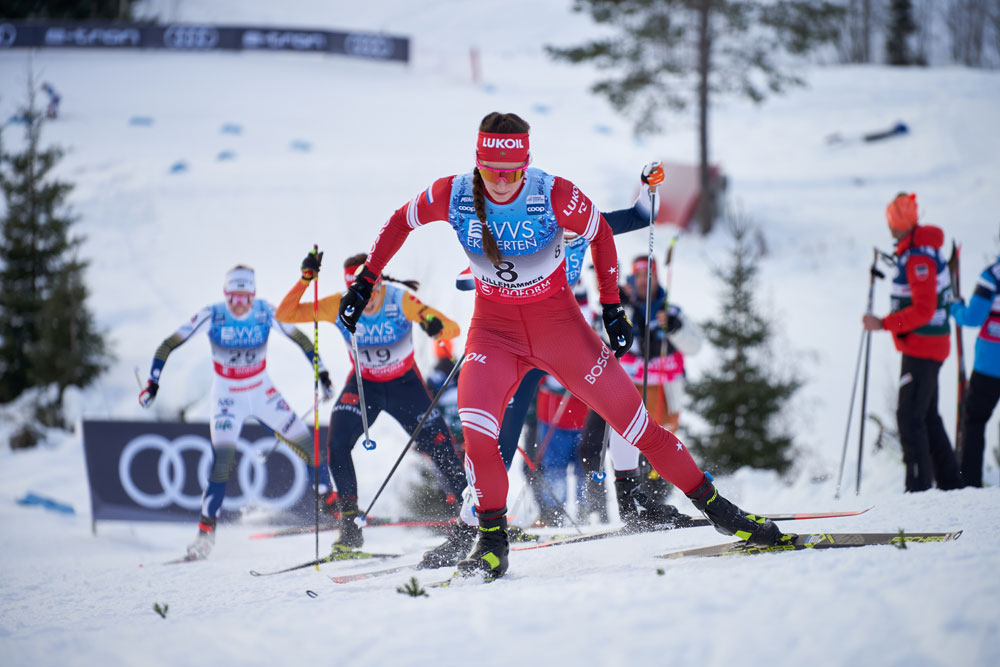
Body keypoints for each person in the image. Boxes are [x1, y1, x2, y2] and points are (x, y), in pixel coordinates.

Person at [339, 112, 788, 579]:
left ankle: (722, 513)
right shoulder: (452, 194)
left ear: (526, 165)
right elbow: (399, 221)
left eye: (511, 173)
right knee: (479, 436)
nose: (500, 182)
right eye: (491, 171)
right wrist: (367, 278)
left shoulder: (552, 194)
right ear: (478, 164)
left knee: (638, 428)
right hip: (495, 336)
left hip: (562, 333)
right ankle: (490, 541)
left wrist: (612, 308)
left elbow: (603, 233)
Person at [275, 252, 467, 553]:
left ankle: (474, 520)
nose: (368, 301)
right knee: (336, 443)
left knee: (441, 446)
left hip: (406, 386)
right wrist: (305, 280)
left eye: (373, 291)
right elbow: (285, 315)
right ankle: (350, 527)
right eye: (361, 294)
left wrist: (434, 325)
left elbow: (452, 327)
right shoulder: (336, 305)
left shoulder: (399, 300)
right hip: (365, 387)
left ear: (380, 283)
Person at [139, 265, 334, 560]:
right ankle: (205, 535)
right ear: (225, 295)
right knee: (222, 465)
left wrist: (323, 374)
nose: (239, 305)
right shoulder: (213, 314)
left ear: (253, 295)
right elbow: (169, 344)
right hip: (228, 397)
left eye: (245, 298)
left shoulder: (266, 311)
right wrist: (153, 383)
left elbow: (303, 341)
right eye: (234, 298)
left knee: (310, 445)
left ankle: (328, 501)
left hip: (261, 391)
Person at [862, 193, 964, 492]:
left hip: (923, 347)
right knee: (927, 415)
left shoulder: (919, 256)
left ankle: (918, 488)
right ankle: (950, 484)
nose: (889, 226)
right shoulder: (917, 251)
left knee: (909, 416)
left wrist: (883, 324)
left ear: (898, 222)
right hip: (924, 345)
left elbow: (924, 309)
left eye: (891, 219)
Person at [614, 255, 704, 526]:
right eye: (639, 276)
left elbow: (695, 345)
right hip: (631, 386)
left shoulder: (671, 310)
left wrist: (674, 329)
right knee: (629, 442)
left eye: (648, 276)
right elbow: (606, 339)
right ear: (632, 279)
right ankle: (636, 505)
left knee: (658, 443)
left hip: (663, 390)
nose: (643, 281)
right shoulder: (624, 307)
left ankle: (658, 504)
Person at [950, 249, 1000, 487]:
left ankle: (969, 483)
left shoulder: (993, 276)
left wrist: (955, 309)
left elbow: (972, 317)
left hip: (991, 363)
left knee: (974, 420)